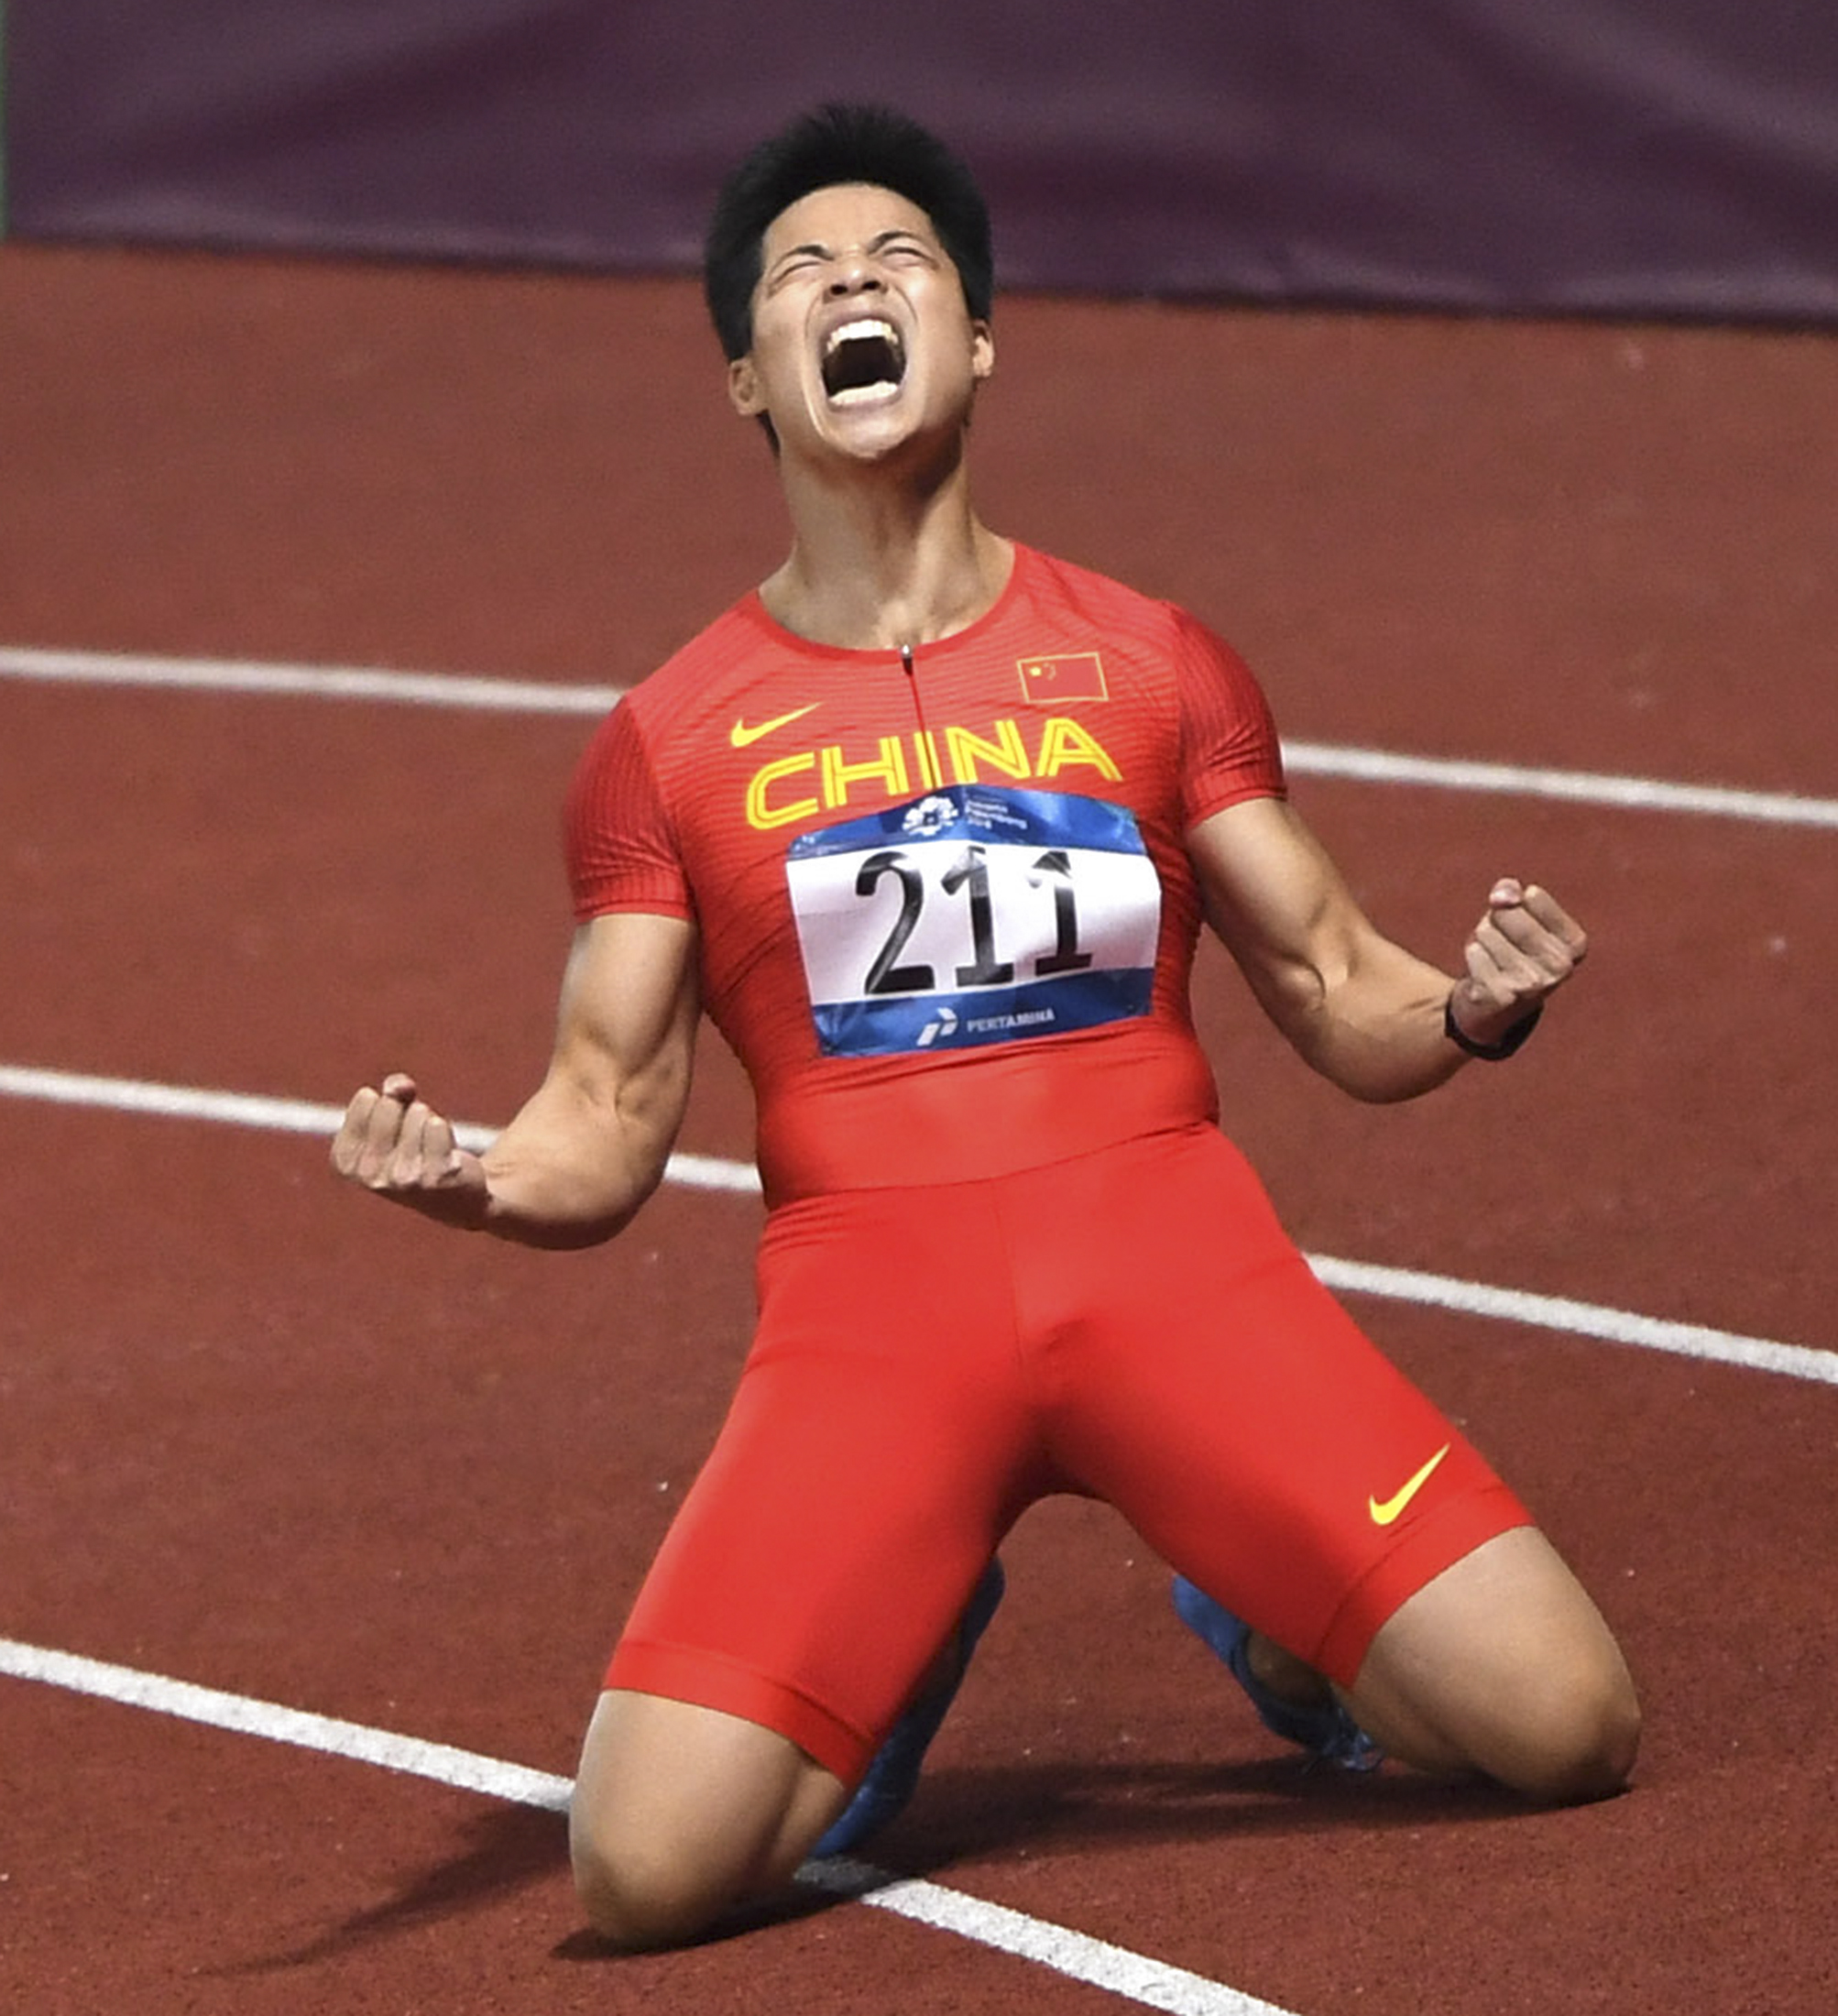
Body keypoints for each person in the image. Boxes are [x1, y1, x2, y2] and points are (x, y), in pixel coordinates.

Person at [330, 103, 1640, 1950]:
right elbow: (603, 1120)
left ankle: (1272, 1617)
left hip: (1176, 1276)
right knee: (640, 1874)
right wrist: (469, 1177)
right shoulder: (667, 743)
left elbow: (1340, 987)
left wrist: (1473, 1006)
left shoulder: (1151, 660)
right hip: (875, 1331)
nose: (850, 284)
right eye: (799, 273)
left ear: (978, 339)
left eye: (899, 260)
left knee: (1568, 1728)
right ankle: (912, 1622)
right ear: (747, 381)